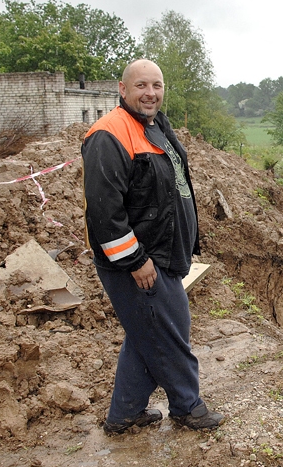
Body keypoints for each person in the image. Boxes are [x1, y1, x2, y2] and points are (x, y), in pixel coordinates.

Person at [82, 59, 224, 434]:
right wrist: (134, 260)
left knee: (146, 332)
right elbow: (104, 212)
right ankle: (188, 408)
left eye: (157, 85)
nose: (150, 93)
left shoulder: (154, 125)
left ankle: (124, 414)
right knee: (170, 332)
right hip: (139, 263)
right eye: (141, 85)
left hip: (163, 253)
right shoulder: (108, 135)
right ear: (122, 89)